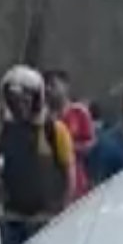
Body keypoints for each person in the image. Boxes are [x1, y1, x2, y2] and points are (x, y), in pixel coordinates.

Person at [0, 66, 76, 244]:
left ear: (37, 98)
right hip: (13, 218)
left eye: (25, 99)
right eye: (13, 100)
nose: (19, 105)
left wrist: (63, 209)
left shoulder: (54, 130)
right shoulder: (6, 131)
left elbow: (69, 172)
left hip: (45, 219)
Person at [43, 69, 96, 198]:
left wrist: (67, 148)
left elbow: (91, 143)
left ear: (65, 86)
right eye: (46, 86)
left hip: (76, 178)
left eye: (53, 85)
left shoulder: (79, 112)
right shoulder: (42, 116)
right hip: (49, 179)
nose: (49, 90)